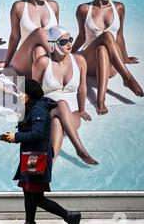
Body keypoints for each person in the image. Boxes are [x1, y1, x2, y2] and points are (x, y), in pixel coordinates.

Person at [1, 79, 81, 224]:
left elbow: (37, 134)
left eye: (22, 92)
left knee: (36, 197)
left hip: (37, 158)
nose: (19, 95)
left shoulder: (39, 110)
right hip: (31, 156)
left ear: (30, 94)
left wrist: (16, 136)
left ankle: (70, 216)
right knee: (27, 192)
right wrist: (13, 137)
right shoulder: (32, 108)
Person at [72, 0, 144, 115]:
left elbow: (120, 35)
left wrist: (126, 57)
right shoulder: (84, 9)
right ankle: (127, 78)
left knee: (102, 49)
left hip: (112, 66)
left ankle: (100, 100)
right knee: (107, 36)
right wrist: (68, 55)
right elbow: (81, 37)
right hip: (90, 61)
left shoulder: (119, 8)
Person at [33, 26, 98, 165]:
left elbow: (82, 87)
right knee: (61, 104)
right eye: (63, 42)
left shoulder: (79, 60)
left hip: (72, 114)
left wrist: (81, 110)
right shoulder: (43, 62)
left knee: (57, 123)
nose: (69, 44)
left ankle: (46, 165)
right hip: (46, 111)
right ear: (53, 44)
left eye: (70, 39)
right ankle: (80, 150)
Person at [4, 0, 59, 78]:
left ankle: (38, 88)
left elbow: (57, 36)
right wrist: (7, 63)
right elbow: (15, 37)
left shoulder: (54, 6)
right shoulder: (19, 7)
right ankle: (60, 62)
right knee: (40, 32)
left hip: (43, 60)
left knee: (38, 50)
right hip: (24, 60)